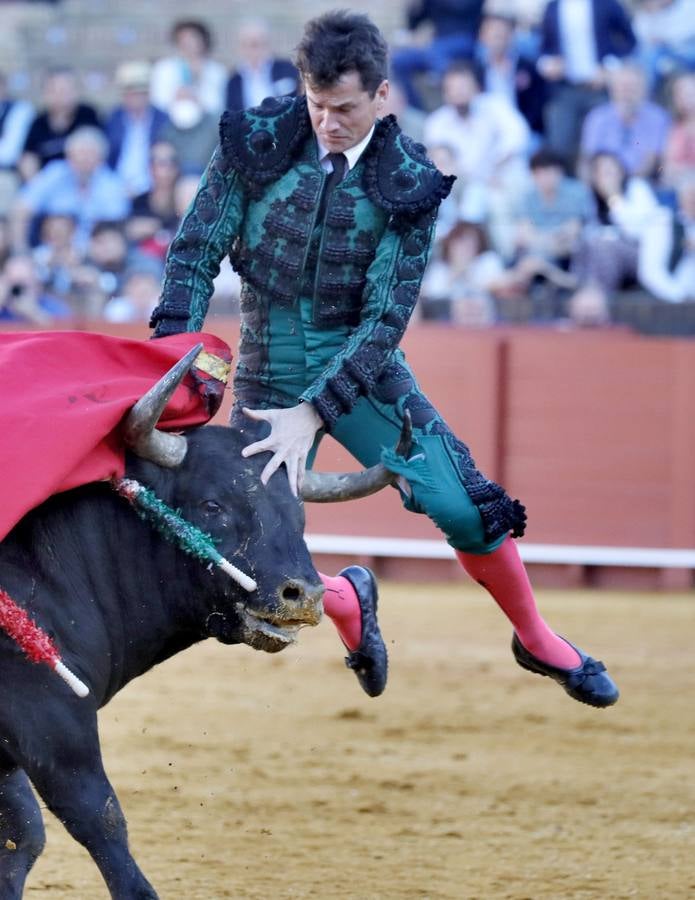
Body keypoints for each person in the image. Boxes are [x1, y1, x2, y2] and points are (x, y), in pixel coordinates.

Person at [149, 10, 619, 707]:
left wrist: (313, 413)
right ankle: (345, 601)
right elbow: (192, 255)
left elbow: (383, 322)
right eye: (316, 105)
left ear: (382, 95)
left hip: (362, 374)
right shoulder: (254, 142)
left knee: (462, 509)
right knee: (242, 553)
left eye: (344, 108)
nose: (328, 122)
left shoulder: (409, 180)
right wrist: (171, 365)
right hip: (266, 371)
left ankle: (536, 638)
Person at [537, 0, 636, 170]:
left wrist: (609, 67)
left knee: (604, 144)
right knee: (560, 144)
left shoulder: (607, 4)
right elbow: (544, 48)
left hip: (600, 88)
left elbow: (630, 41)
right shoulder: (553, 7)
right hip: (565, 88)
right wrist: (548, 64)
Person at [11, 126, 130, 250]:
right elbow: (22, 208)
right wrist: (21, 249)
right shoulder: (54, 173)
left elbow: (115, 223)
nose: (84, 159)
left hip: (95, 253)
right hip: (51, 249)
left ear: (101, 159)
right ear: (69, 156)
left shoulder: (112, 183)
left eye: (90, 154)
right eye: (80, 153)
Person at [579, 63, 671, 180]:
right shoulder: (597, 117)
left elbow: (653, 160)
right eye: (622, 86)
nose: (626, 93)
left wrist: (626, 184)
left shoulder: (658, 117)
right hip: (603, 183)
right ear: (612, 90)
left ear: (644, 90)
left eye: (633, 87)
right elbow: (587, 159)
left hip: (642, 181)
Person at [19, 67, 101, 182]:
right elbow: (28, 158)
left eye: (65, 89)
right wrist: (36, 185)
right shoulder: (38, 122)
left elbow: (99, 153)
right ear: (45, 93)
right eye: (54, 90)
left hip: (86, 181)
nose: (61, 95)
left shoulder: (88, 115)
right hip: (49, 184)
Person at [105, 61, 170, 198]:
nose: (136, 98)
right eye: (131, 93)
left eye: (141, 93)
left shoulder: (163, 120)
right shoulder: (113, 119)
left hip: (153, 187)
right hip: (116, 186)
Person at [149, 19, 227, 118]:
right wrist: (176, 97)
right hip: (171, 125)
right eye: (183, 38)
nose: (188, 43)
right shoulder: (164, 68)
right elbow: (157, 102)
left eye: (193, 38)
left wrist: (198, 100)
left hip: (207, 126)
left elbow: (219, 105)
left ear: (203, 41)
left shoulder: (216, 71)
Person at [225, 18, 299, 111]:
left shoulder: (288, 69)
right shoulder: (234, 81)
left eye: (256, 44)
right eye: (247, 44)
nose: (253, 51)